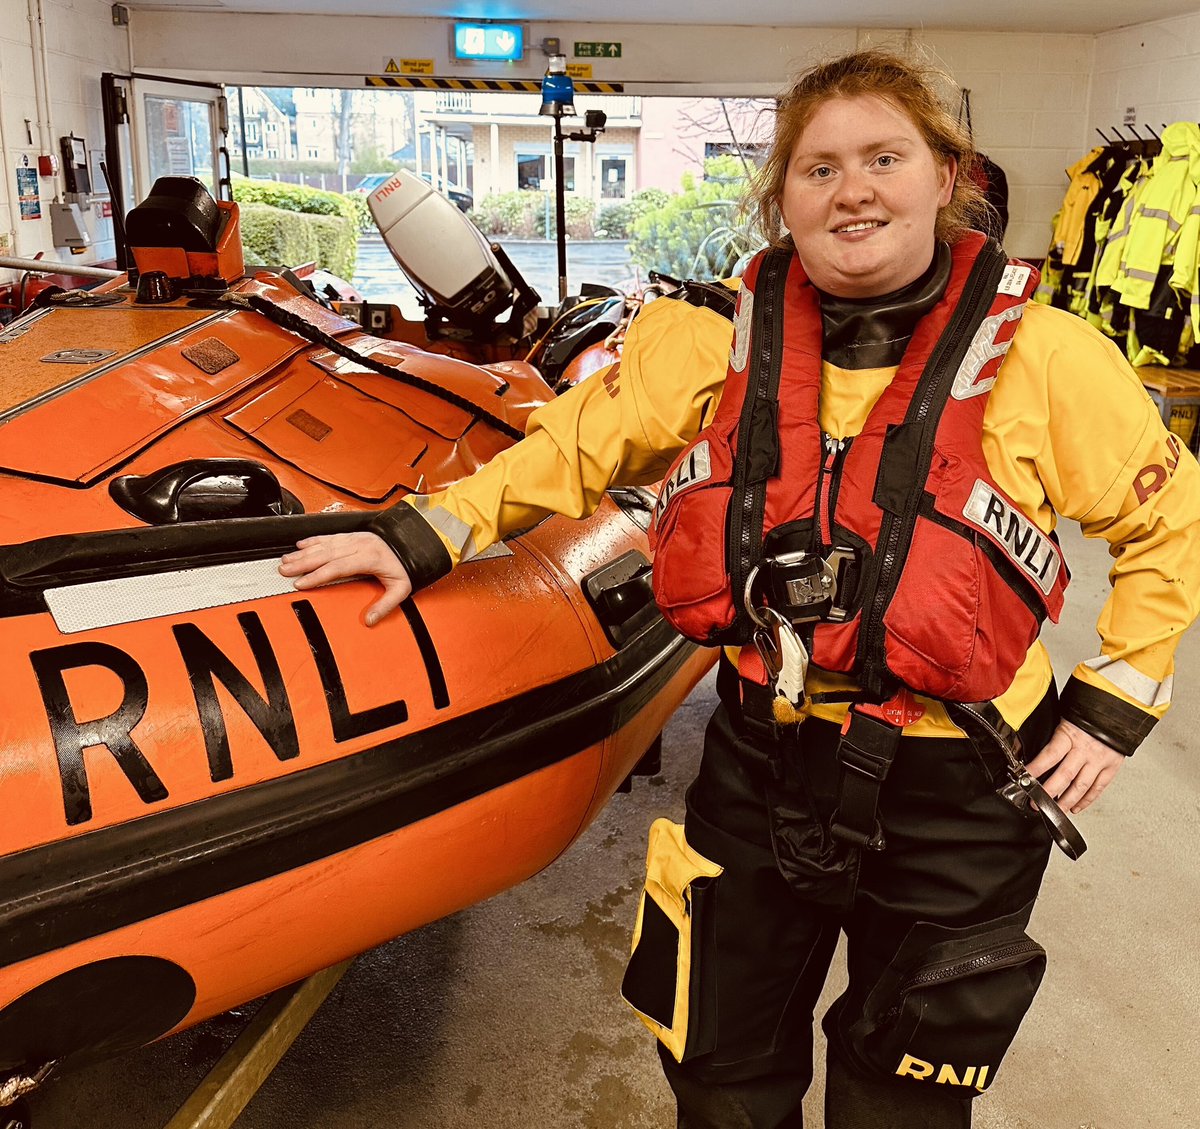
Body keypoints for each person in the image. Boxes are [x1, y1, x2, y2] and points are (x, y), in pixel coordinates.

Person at [279, 50, 1200, 1129]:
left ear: (946, 176)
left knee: (900, 1097)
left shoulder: (1049, 356)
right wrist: (420, 537)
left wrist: (1114, 698)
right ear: (783, 199)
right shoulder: (712, 342)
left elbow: (1165, 518)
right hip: (762, 763)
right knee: (718, 1072)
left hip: (963, 788)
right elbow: (568, 448)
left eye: (884, 158)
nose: (852, 188)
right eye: (818, 168)